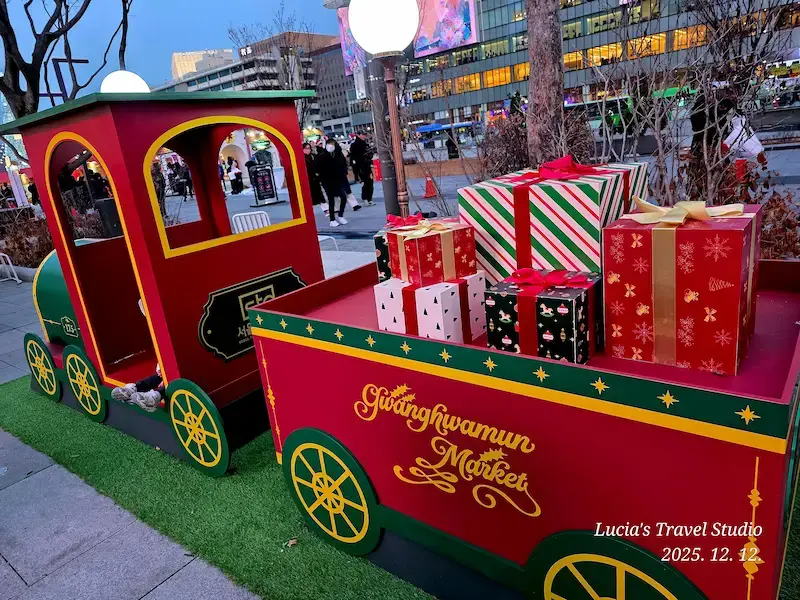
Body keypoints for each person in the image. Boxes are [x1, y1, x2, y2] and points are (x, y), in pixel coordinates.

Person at [111, 301, 163, 412]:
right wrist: (161, 368)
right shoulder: (159, 330)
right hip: (168, 369)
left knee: (169, 381)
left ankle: (154, 397)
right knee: (157, 376)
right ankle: (135, 388)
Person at [316, 140, 349, 227]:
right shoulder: (322, 156)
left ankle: (340, 215)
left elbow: (342, 164)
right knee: (331, 201)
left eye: (332, 144)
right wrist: (321, 178)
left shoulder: (337, 155)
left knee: (343, 197)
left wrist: (343, 173)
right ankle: (332, 219)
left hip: (337, 181)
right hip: (327, 181)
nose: (331, 146)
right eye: (329, 144)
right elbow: (317, 168)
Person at [349, 132, 375, 206]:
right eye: (362, 135)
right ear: (358, 135)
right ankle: (365, 198)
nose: (364, 136)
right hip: (360, 167)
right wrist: (356, 170)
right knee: (365, 183)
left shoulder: (365, 144)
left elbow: (370, 154)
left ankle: (370, 199)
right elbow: (353, 157)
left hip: (367, 166)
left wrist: (370, 155)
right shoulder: (354, 145)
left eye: (364, 135)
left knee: (370, 182)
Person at [304, 142, 328, 217]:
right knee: (308, 197)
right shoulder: (301, 159)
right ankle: (308, 213)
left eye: (309, 148)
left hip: (315, 179)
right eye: (306, 148)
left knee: (320, 195)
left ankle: (326, 210)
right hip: (307, 180)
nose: (308, 150)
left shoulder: (313, 156)